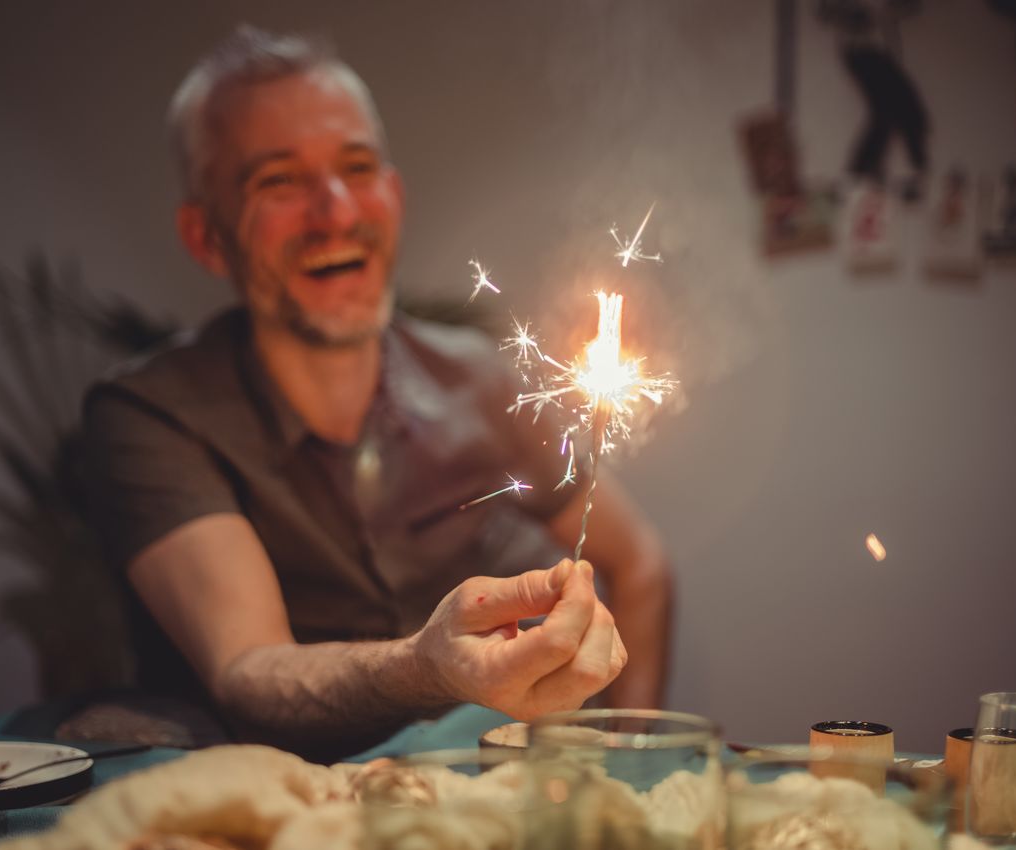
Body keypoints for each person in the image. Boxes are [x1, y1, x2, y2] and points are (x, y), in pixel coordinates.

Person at [83, 25, 672, 762]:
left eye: (357, 169)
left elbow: (639, 561)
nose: (336, 212)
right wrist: (426, 667)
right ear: (207, 237)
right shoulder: (151, 416)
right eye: (280, 181)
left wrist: (637, 755)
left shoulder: (481, 379)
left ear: (393, 195)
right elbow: (247, 668)